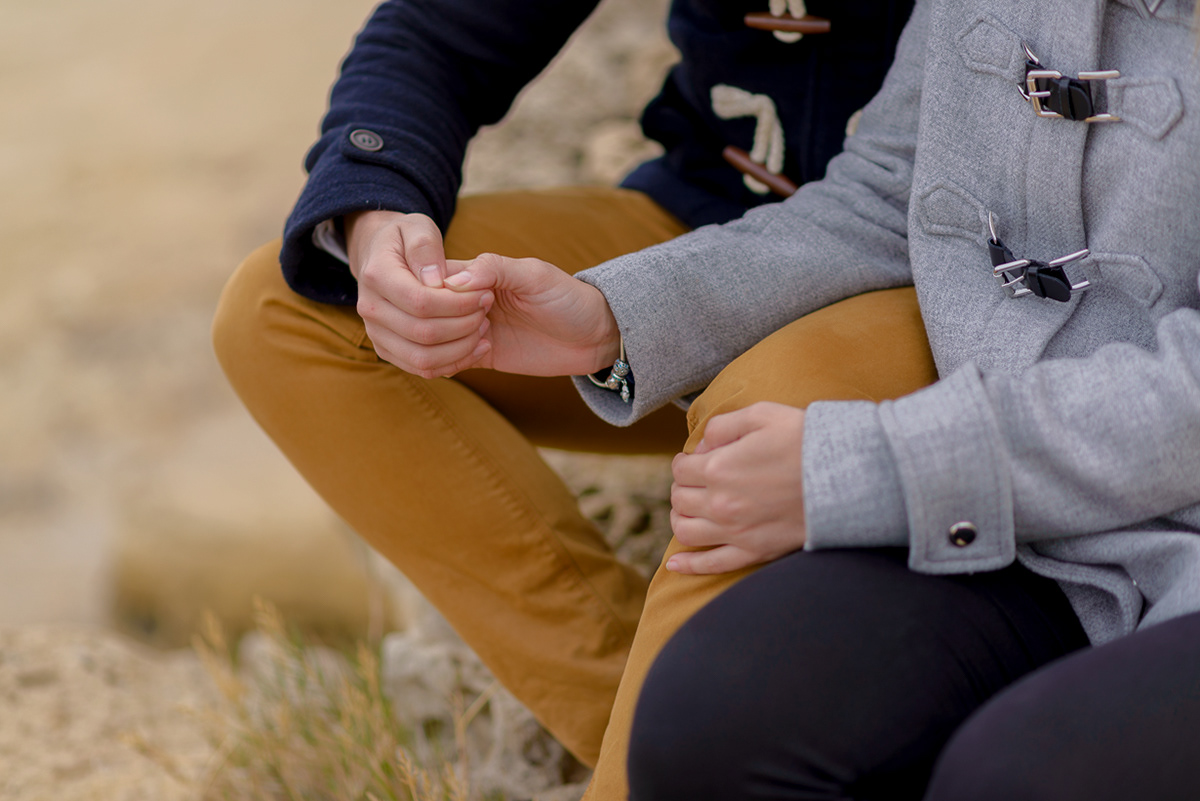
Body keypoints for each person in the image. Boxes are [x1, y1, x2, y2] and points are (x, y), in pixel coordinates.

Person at [311, 0, 1200, 797]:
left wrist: (880, 467)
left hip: (1145, 523)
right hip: (1035, 535)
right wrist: (609, 316)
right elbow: (888, 197)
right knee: (709, 727)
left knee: (1007, 776)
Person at [214, 0, 925, 796]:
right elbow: (434, 33)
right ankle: (657, 737)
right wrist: (379, 215)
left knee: (746, 426)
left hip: (907, 276)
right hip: (695, 220)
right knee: (289, 315)